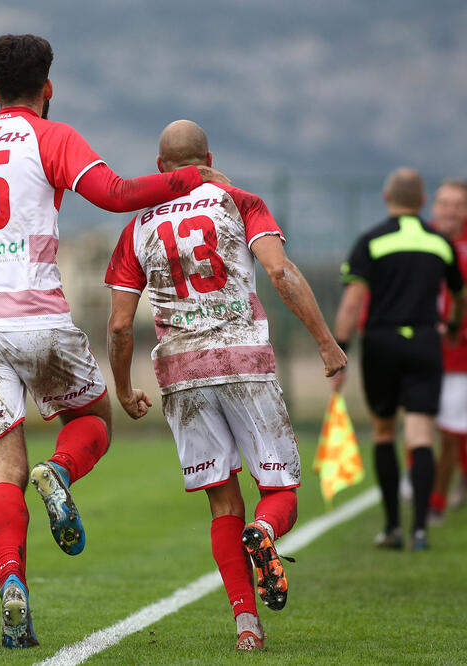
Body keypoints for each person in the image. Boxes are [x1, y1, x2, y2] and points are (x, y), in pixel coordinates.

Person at [0, 35, 229, 648]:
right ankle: (60, 473)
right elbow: (114, 195)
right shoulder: (52, 137)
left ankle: (11, 581)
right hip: (37, 317)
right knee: (92, 418)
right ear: (48, 88)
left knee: (1, 468)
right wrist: (188, 179)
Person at [105, 120, 345, 651]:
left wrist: (123, 388)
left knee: (221, 504)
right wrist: (326, 343)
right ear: (208, 156)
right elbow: (281, 274)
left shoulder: (135, 227)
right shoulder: (239, 200)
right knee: (279, 492)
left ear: (160, 166)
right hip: (243, 360)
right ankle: (265, 533)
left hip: (180, 372)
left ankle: (246, 626)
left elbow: (121, 325)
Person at [330, 168, 464, 551]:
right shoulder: (440, 242)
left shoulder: (371, 241)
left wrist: (339, 353)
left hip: (382, 342)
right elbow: (459, 292)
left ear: (387, 199)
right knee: (422, 434)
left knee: (386, 432)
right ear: (423, 203)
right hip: (425, 341)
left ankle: (392, 528)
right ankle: (420, 528)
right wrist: (452, 325)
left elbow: (353, 302)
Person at [424, 179, 467, 522]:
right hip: (421, 350)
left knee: (452, 430)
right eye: (444, 203)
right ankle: (420, 484)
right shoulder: (423, 239)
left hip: (458, 355)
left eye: (458, 204)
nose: (450, 210)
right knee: (419, 425)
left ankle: (436, 501)